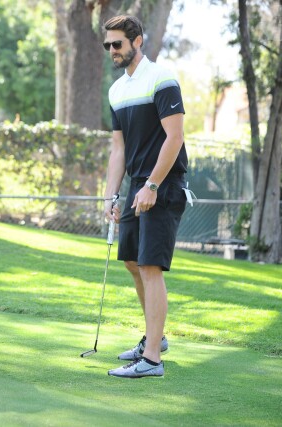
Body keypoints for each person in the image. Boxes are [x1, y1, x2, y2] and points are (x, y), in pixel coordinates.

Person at [102, 16, 188, 378]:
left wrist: (152, 185)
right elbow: (118, 148)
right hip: (137, 184)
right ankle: (156, 337)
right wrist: (110, 195)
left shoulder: (162, 79)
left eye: (117, 44)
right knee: (133, 263)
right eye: (107, 46)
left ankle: (152, 359)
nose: (112, 52)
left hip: (162, 184)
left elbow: (175, 137)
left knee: (150, 266)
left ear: (137, 40)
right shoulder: (117, 91)